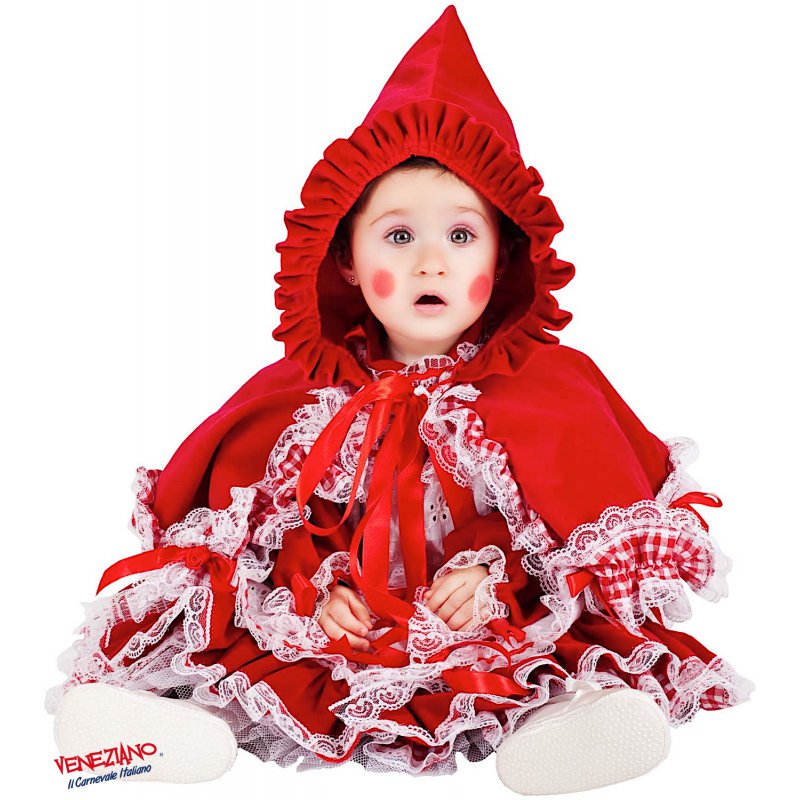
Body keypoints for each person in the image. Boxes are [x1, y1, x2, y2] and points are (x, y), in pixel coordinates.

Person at [46, 5, 754, 794]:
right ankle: (145, 736)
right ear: (345, 258)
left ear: (504, 256)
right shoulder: (303, 396)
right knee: (234, 649)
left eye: (461, 236)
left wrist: (494, 577)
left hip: (490, 623)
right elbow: (268, 524)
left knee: (551, 656)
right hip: (340, 634)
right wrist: (316, 588)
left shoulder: (553, 387)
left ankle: (571, 730)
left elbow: (568, 526)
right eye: (398, 236)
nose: (430, 264)